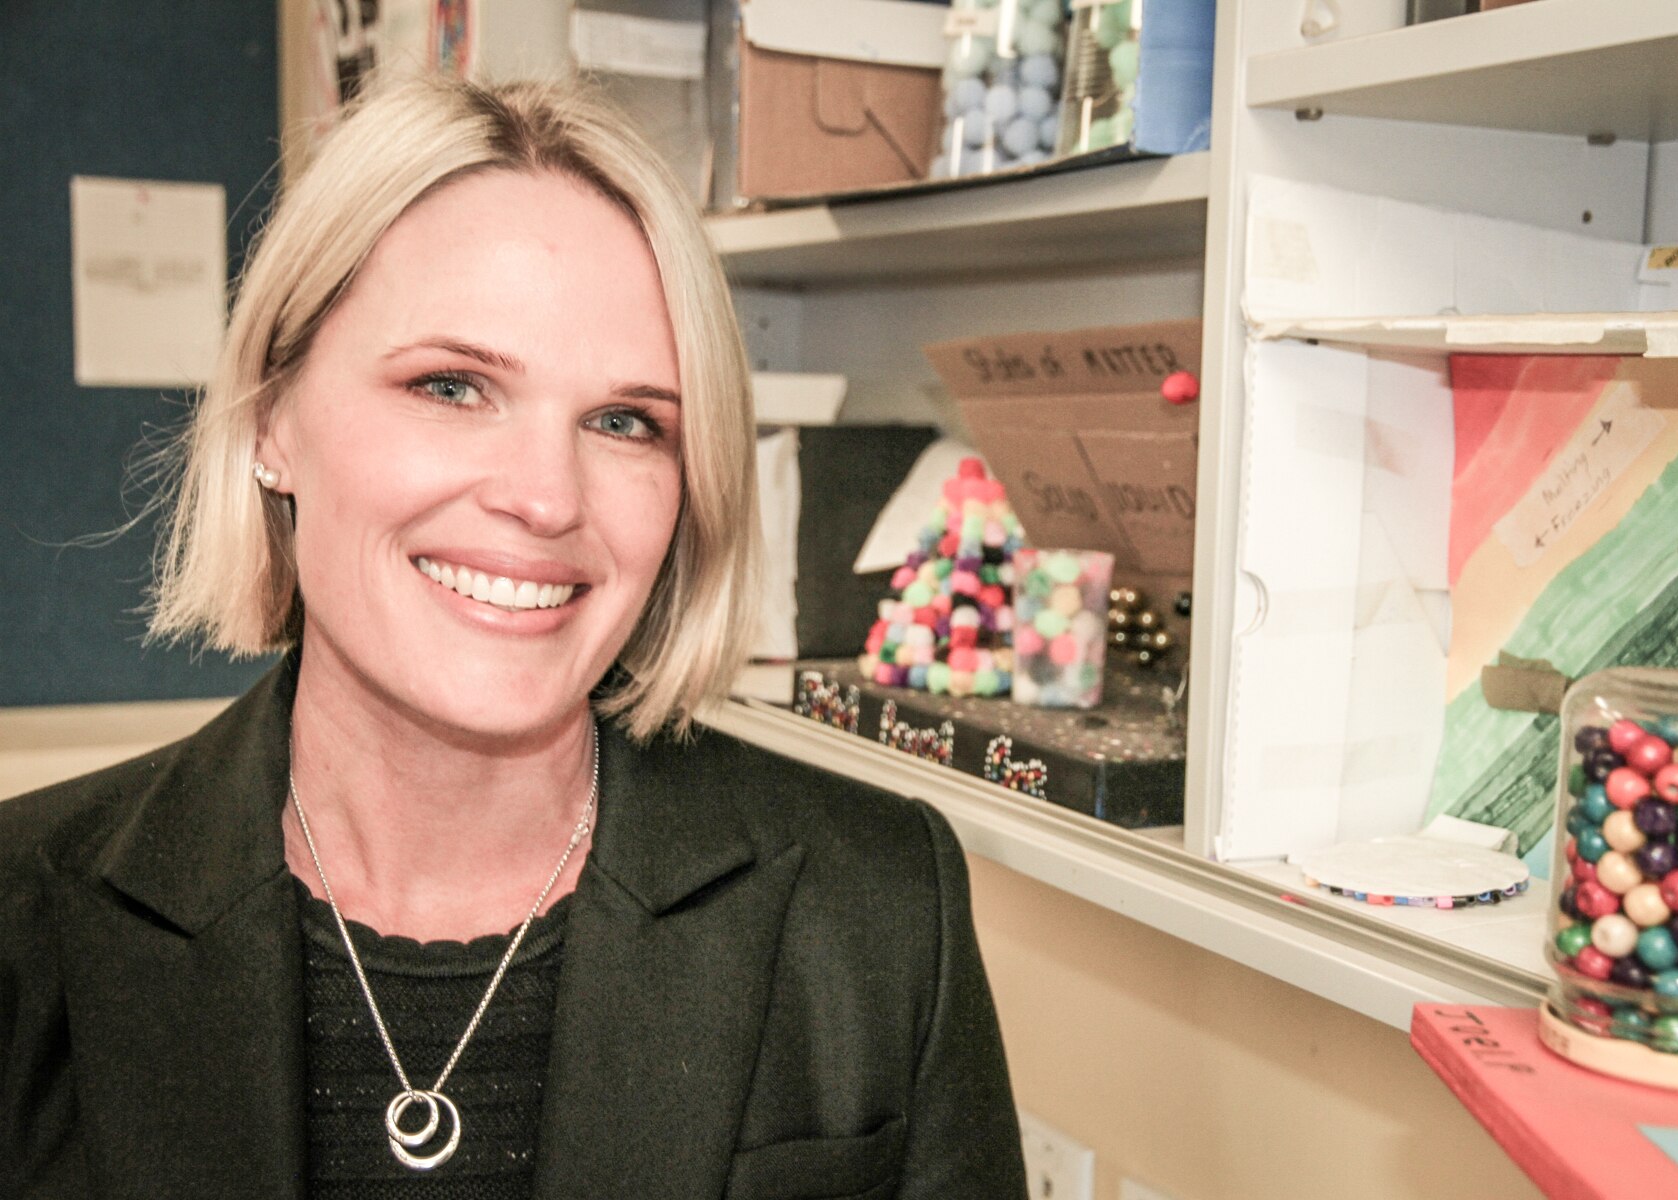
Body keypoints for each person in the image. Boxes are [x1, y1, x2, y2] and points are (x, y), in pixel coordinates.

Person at [0, 74, 1026, 1198]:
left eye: (625, 422)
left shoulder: (878, 907)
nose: (546, 498)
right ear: (270, 418)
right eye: (452, 386)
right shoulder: (26, 912)